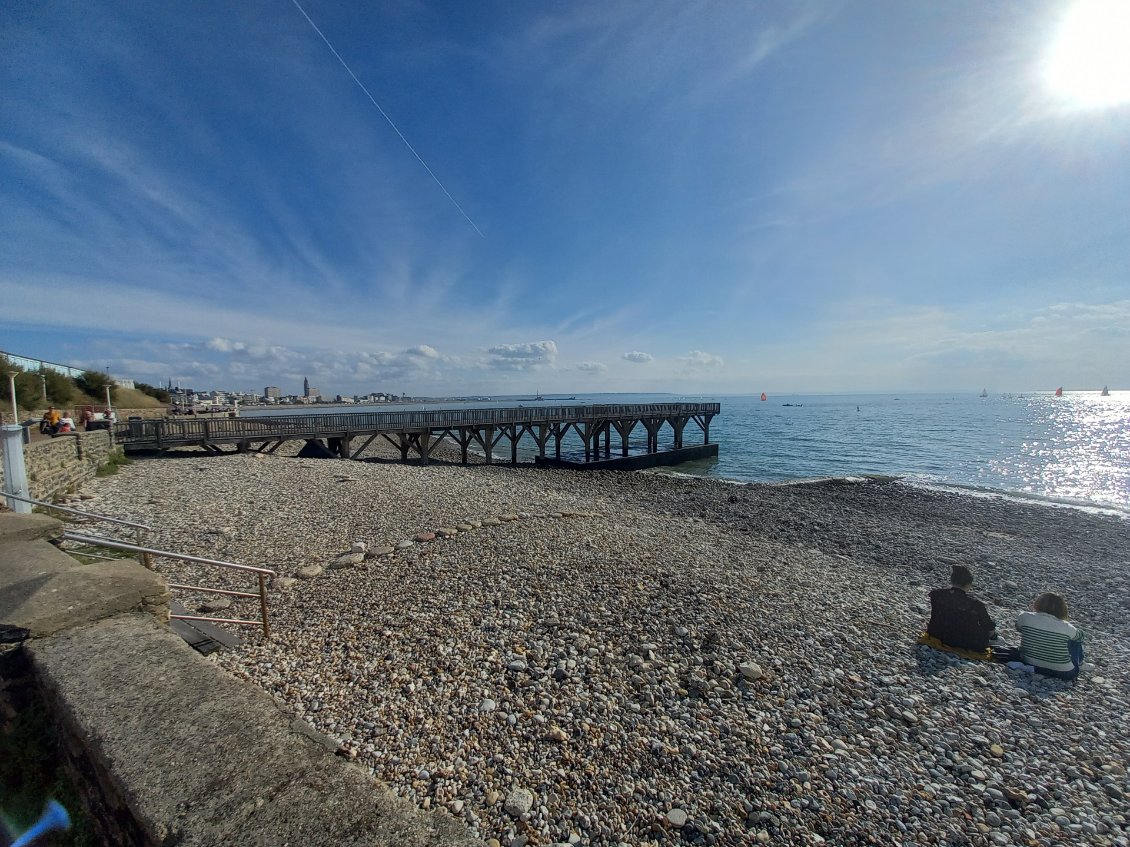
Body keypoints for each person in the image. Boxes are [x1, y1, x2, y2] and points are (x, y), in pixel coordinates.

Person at [922, 565, 997, 655]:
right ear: (968, 584)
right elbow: (988, 626)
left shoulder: (936, 594)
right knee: (990, 632)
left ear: (952, 580)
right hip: (961, 642)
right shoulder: (976, 604)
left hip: (936, 633)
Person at [1016, 593, 1085, 680]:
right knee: (1075, 640)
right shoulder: (1066, 626)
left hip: (1028, 662)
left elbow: (1018, 628)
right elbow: (1081, 636)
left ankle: (1038, 666)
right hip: (1065, 673)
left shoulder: (1024, 616)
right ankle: (1080, 663)